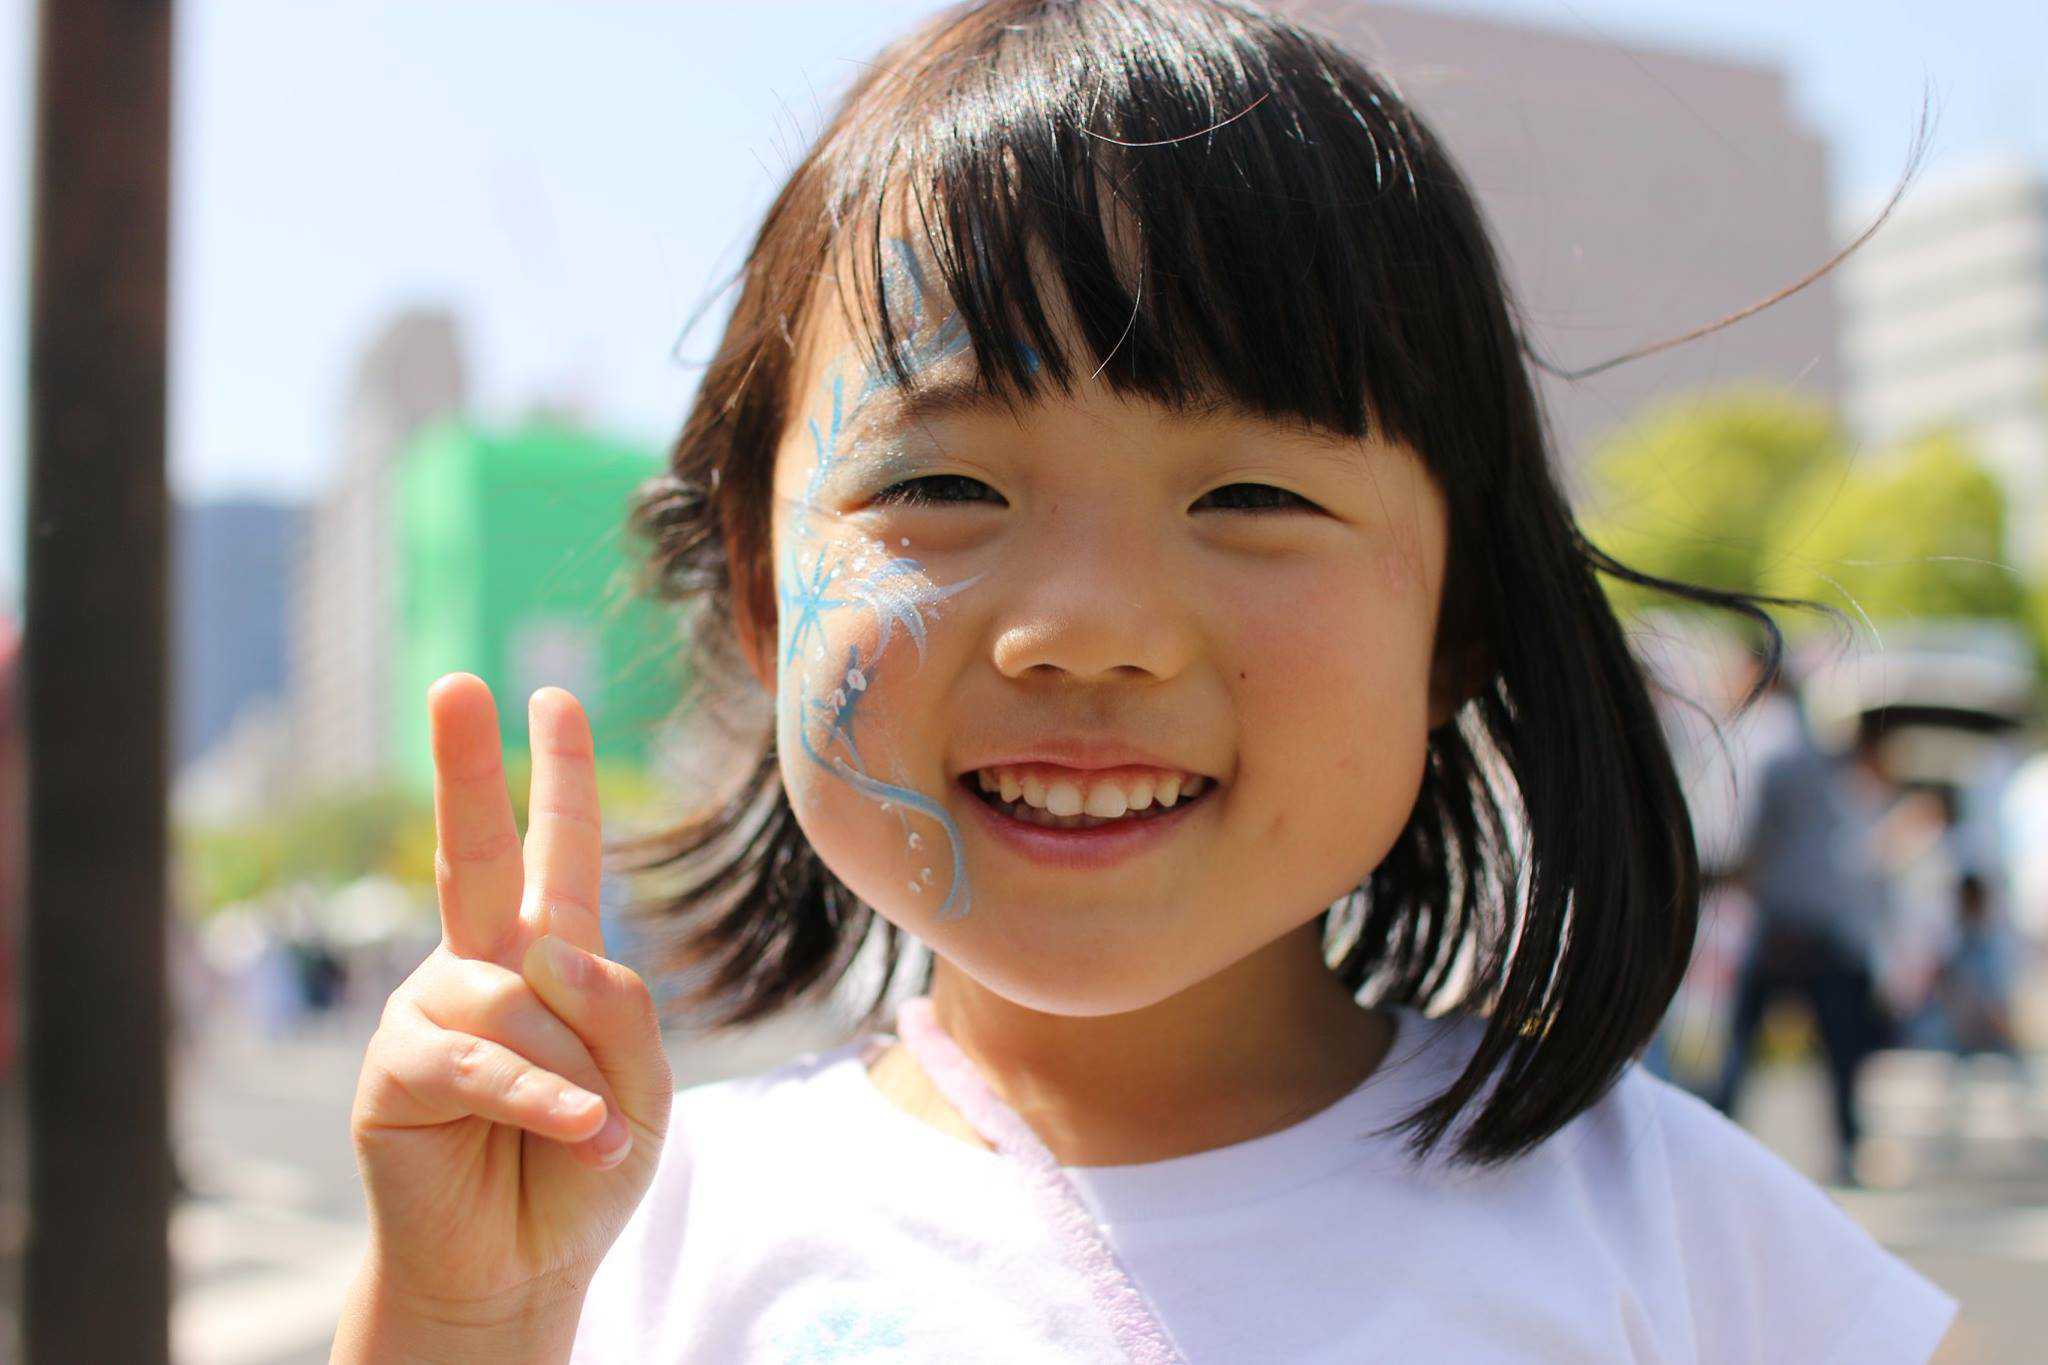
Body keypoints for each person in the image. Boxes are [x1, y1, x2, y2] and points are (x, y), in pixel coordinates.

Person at [333, 3, 1960, 1360]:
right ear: (762, 598)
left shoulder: (1668, 1232)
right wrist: (459, 1318)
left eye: (1250, 496)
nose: (1089, 628)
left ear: (1457, 620)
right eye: (943, 488)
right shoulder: (630, 1234)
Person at [1709, 705, 1931, 1188]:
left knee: (1755, 1055)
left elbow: (1760, 850)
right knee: (1830, 1055)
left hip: (1794, 932)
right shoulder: (1842, 787)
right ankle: (1842, 1147)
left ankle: (1715, 1142)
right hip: (1809, 936)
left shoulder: (1800, 770)